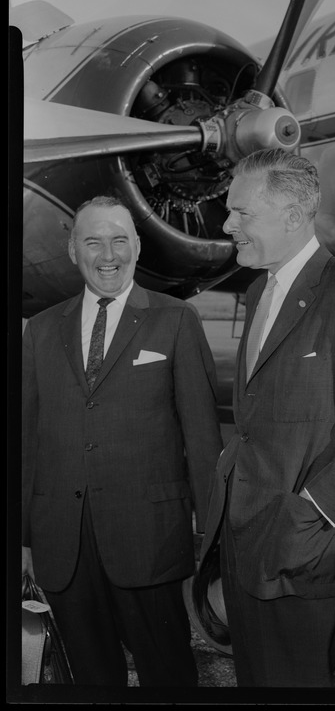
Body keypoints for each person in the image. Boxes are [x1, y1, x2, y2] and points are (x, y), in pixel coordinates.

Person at [198, 148, 335, 687]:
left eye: (241, 213)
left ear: (294, 216)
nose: (227, 225)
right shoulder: (260, 291)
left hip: (303, 551)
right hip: (243, 538)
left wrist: (313, 511)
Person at [21, 196, 224, 687]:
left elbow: (202, 436)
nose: (107, 254)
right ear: (73, 251)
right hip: (61, 541)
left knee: (168, 672)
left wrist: (215, 539)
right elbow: (26, 441)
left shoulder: (175, 320)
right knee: (89, 676)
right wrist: (23, 536)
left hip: (148, 537)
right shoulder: (41, 330)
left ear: (136, 246)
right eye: (93, 241)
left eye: (119, 240)